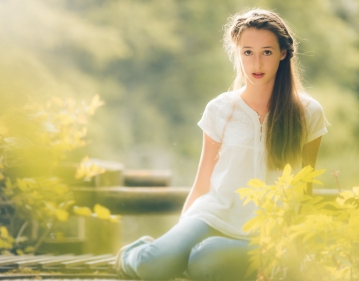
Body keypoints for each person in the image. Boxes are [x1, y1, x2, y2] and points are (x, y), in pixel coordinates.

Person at [116, 8, 328, 281]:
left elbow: (304, 188)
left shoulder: (308, 112)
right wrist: (177, 238)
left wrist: (298, 243)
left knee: (206, 265)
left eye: (266, 52)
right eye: (247, 52)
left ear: (283, 53)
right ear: (237, 54)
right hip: (212, 213)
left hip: (266, 229)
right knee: (154, 265)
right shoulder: (221, 109)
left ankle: (196, 255)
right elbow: (203, 181)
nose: (257, 64)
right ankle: (136, 253)